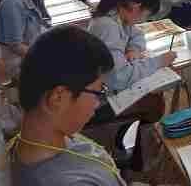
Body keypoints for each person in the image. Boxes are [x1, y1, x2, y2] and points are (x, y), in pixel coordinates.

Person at [7, 26, 123, 186]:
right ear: (58, 97)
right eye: (98, 91)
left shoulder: (36, 140)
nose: (97, 104)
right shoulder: (67, 181)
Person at [88, 0, 175, 94]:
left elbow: (137, 34)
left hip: (107, 83)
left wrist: (133, 49)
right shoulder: (107, 26)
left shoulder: (119, 14)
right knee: (154, 98)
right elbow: (119, 78)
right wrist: (158, 62)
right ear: (136, 7)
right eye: (146, 15)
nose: (143, 20)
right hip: (102, 92)